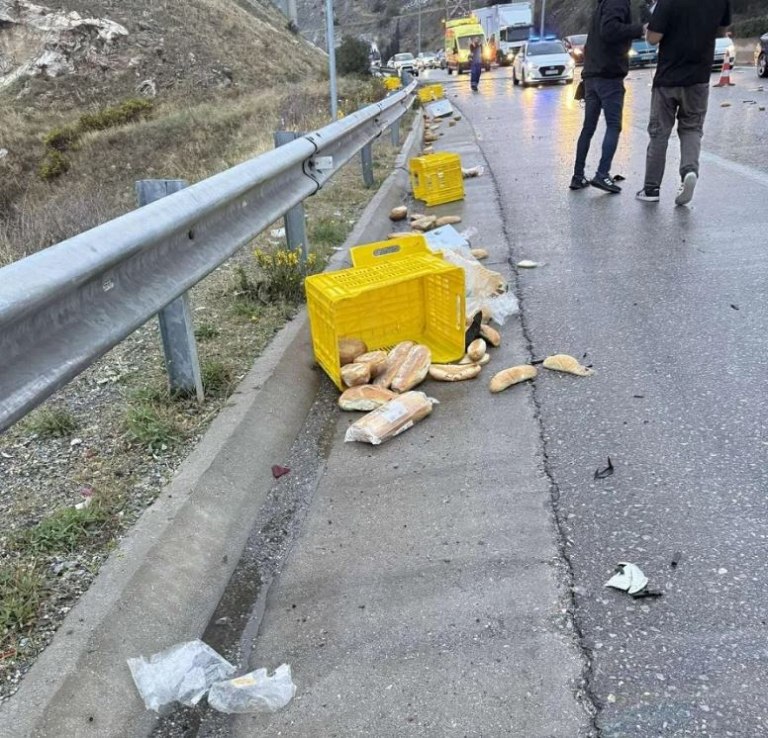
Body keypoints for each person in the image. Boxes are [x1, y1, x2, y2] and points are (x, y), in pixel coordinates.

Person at [636, 0, 732, 205]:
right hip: (699, 77)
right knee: (692, 129)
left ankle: (651, 188)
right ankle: (689, 171)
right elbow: (722, 29)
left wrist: (651, 28)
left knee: (659, 132)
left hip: (668, 79)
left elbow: (653, 38)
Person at [570, 0, 644, 194]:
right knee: (613, 125)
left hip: (592, 75)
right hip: (608, 76)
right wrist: (639, 29)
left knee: (588, 128)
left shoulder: (602, 5)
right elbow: (610, 30)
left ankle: (578, 176)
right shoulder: (616, 2)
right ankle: (602, 174)